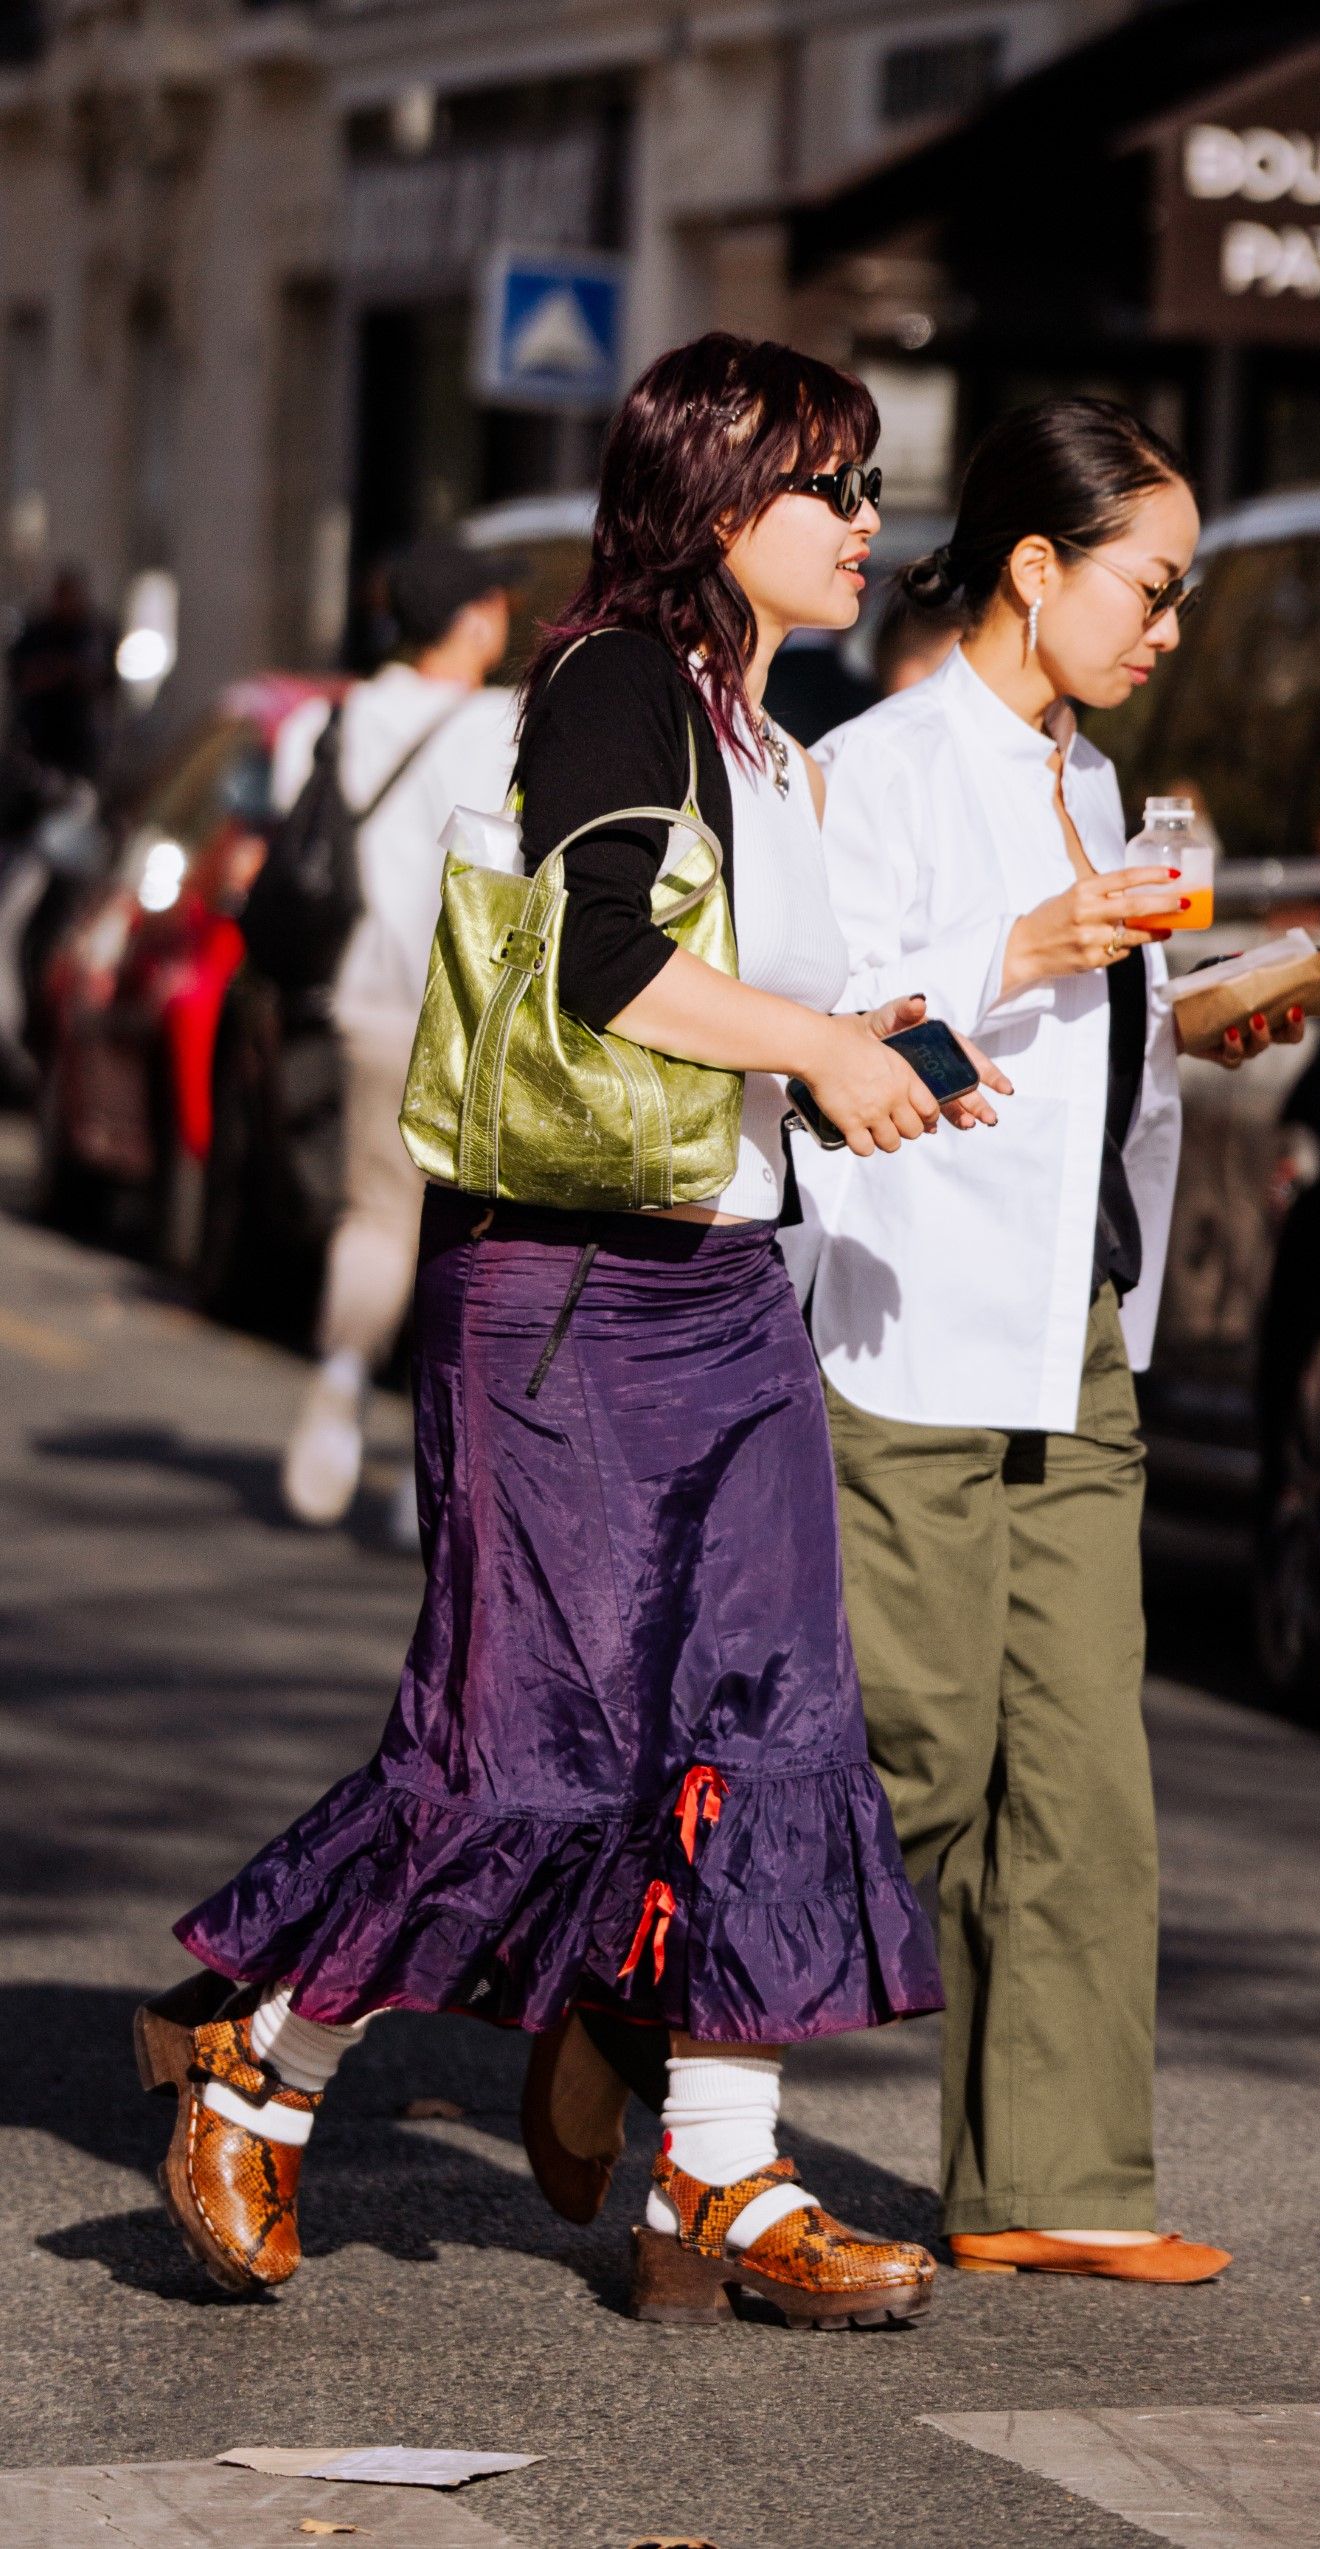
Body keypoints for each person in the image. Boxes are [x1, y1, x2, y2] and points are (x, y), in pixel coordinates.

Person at [137, 333, 1005, 2329]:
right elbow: (603, 958)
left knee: (770, 1729)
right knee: (523, 1744)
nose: (868, 523)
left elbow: (738, 1005)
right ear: (718, 500)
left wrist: (872, 1048)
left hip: (727, 1294)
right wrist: (816, 1047)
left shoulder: (775, 739)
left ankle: (724, 2167)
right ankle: (264, 2059)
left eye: (870, 486)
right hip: (566, 1300)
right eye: (832, 486)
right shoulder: (618, 679)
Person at [794, 398, 1300, 2282]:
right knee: (912, 1749)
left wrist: (1202, 1010)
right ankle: (645, 2023)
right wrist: (1021, 950)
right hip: (910, 1316)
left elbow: (1094, 1042)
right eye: (1150, 588)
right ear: (1034, 568)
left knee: (1082, 1764)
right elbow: (820, 1035)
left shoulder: (1105, 787)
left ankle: (1053, 2174)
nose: (1170, 627)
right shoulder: (873, 770)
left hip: (1079, 1320)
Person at [277, 533, 520, 1539]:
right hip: (468, 1012)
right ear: (472, 621)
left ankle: (339, 1381)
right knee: (469, 1235)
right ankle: (428, 1471)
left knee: (376, 1213)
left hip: (365, 1000)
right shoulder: (502, 725)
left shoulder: (329, 720)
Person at [7, 565, 115, 780]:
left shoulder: (94, 636)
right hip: (37, 736)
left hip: (80, 739)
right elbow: (20, 678)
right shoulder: (36, 634)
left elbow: (105, 682)